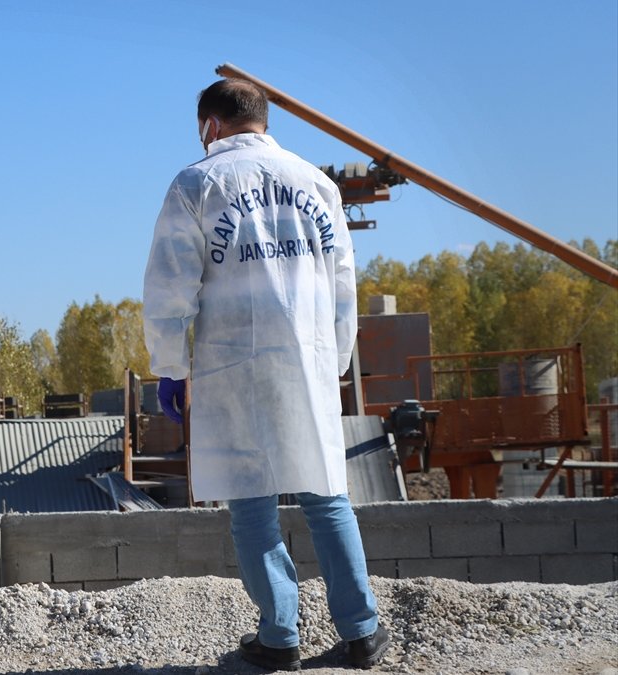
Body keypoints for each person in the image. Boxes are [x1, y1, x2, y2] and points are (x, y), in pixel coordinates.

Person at [142, 79, 390, 670]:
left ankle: (279, 637)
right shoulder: (318, 184)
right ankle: (361, 631)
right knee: (326, 493)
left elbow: (171, 284)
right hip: (306, 359)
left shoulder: (197, 184)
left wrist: (172, 366)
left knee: (251, 501)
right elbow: (343, 285)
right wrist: (335, 360)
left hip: (233, 365)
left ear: (210, 126)